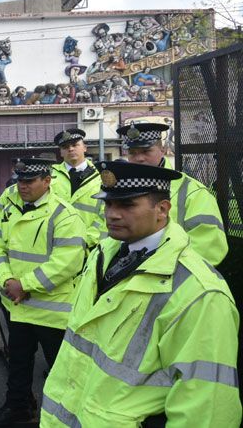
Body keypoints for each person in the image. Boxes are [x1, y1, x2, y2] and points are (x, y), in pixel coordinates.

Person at [41, 161, 241, 426]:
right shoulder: (104, 255)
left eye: (127, 205)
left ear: (162, 209)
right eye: (109, 204)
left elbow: (207, 407)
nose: (112, 214)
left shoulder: (199, 292)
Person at [0, 158, 86, 425]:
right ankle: (17, 406)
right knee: (18, 362)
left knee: (61, 370)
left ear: (47, 181)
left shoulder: (63, 215)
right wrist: (7, 280)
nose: (22, 186)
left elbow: (68, 262)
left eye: (29, 181)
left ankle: (64, 416)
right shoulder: (11, 210)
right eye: (19, 180)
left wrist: (25, 284)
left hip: (53, 311)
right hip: (19, 304)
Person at [116, 122, 227, 265]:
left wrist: (156, 269)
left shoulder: (192, 191)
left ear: (163, 150)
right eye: (132, 152)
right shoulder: (120, 190)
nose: (139, 158)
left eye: (146, 151)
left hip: (172, 279)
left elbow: (209, 248)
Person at [50, 129, 106, 250]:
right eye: (65, 147)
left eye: (75, 145)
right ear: (61, 152)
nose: (70, 149)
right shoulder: (48, 177)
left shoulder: (102, 176)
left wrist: (85, 241)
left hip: (90, 247)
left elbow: (106, 214)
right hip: (54, 244)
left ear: (84, 148)